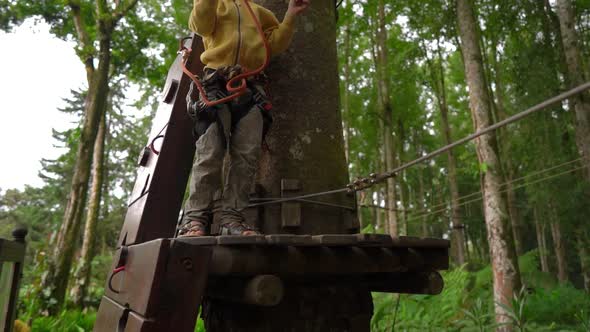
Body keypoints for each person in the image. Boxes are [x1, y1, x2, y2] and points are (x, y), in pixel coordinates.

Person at [178, 0, 310, 237]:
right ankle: (194, 220)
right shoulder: (216, 5)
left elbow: (274, 44)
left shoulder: (260, 13)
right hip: (215, 84)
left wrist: (290, 16)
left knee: (246, 157)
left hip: (250, 89)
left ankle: (233, 219)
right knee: (209, 153)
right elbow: (200, 24)